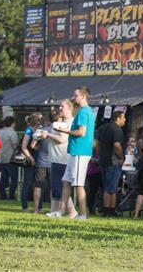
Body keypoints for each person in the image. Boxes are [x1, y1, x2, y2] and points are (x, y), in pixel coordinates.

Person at [52, 87, 96, 220]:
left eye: (75, 95)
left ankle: (83, 214)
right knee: (65, 181)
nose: (73, 97)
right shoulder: (86, 111)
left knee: (78, 184)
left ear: (83, 96)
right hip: (75, 151)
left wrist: (63, 130)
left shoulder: (83, 112)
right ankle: (59, 212)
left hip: (80, 152)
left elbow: (81, 132)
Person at [45, 101, 73, 217]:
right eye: (59, 106)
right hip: (56, 158)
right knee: (56, 187)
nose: (59, 108)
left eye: (62, 106)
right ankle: (54, 211)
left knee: (59, 187)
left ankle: (71, 211)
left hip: (62, 158)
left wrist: (48, 135)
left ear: (70, 108)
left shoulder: (68, 123)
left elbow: (62, 139)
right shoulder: (62, 122)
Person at [97, 111, 126, 217]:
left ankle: (111, 210)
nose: (125, 120)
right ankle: (108, 210)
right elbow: (117, 145)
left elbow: (97, 143)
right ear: (118, 118)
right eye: (123, 118)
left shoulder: (103, 128)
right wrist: (121, 158)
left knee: (108, 187)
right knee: (111, 188)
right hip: (113, 161)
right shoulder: (117, 130)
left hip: (103, 160)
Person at [29, 116, 53, 214]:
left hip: (41, 162)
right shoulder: (56, 130)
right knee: (53, 187)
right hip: (54, 162)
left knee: (38, 186)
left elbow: (32, 145)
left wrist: (39, 148)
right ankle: (53, 209)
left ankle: (36, 209)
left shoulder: (41, 130)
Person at [20, 113, 42, 212]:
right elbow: (24, 147)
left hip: (39, 160)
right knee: (27, 184)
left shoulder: (39, 130)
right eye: (40, 120)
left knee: (38, 184)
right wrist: (31, 158)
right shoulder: (29, 130)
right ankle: (25, 206)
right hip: (30, 160)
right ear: (36, 121)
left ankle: (39, 207)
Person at [0, 116, 19, 201]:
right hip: (11, 159)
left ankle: (2, 195)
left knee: (3, 178)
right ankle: (11, 195)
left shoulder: (1, 132)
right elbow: (15, 145)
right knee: (14, 178)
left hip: (2, 158)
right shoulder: (12, 133)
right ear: (13, 123)